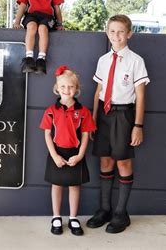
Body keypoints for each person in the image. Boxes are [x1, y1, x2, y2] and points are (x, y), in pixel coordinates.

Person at [87, 14, 150, 233]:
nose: (116, 35)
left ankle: (121, 214)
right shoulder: (103, 60)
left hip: (124, 116)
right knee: (105, 162)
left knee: (123, 162)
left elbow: (141, 96)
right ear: (107, 33)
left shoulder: (136, 61)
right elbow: (98, 92)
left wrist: (138, 125)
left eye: (121, 31)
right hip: (104, 115)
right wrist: (93, 119)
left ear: (129, 34)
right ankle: (105, 209)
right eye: (112, 31)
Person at [40, 65, 96, 236]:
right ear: (57, 88)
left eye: (71, 87)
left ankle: (73, 217)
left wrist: (80, 155)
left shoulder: (84, 112)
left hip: (75, 154)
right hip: (56, 153)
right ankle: (56, 217)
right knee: (56, 185)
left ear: (76, 89)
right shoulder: (51, 111)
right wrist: (54, 155)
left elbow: (86, 135)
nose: (67, 90)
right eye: (63, 86)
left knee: (74, 186)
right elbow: (47, 135)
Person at [14, 0, 64, 75]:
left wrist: (60, 23)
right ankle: (29, 58)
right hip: (32, 15)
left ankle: (41, 59)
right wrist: (16, 21)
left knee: (42, 28)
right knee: (31, 27)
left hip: (48, 17)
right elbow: (22, 5)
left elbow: (57, 8)